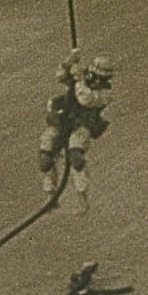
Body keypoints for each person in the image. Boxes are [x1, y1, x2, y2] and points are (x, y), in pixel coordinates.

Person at [38, 51, 114, 214]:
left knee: (76, 158)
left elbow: (86, 100)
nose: (96, 81)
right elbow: (61, 77)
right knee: (45, 156)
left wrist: (79, 79)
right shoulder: (83, 76)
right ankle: (51, 196)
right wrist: (68, 64)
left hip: (82, 126)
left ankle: (82, 201)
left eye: (101, 78)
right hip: (63, 119)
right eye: (95, 76)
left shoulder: (105, 93)